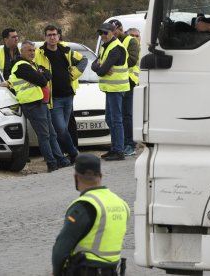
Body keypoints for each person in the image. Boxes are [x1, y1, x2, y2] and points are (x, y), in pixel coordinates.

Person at [52, 153, 130, 276]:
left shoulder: (84, 205)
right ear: (101, 176)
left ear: (76, 177)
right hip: (112, 271)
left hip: (87, 270)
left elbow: (61, 248)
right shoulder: (121, 204)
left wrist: (56, 272)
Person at [10, 40, 71, 172]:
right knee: (44, 135)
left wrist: (43, 74)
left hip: (41, 103)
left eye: (33, 50)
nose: (32, 53)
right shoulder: (21, 66)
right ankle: (52, 163)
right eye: (29, 50)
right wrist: (42, 75)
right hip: (32, 105)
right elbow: (43, 79)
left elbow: (48, 73)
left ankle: (60, 160)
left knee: (52, 134)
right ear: (22, 51)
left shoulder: (31, 64)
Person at [34, 25, 87, 164]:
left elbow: (84, 60)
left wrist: (74, 74)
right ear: (44, 37)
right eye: (49, 35)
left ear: (59, 36)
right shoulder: (39, 53)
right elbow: (26, 68)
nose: (52, 37)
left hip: (68, 95)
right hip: (54, 98)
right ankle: (74, 152)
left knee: (63, 128)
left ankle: (69, 154)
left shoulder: (66, 50)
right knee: (61, 129)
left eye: (54, 35)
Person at [91, 23, 129, 161]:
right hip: (109, 89)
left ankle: (119, 151)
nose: (103, 36)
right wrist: (100, 66)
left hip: (116, 89)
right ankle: (114, 148)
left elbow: (100, 71)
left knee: (116, 120)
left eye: (105, 33)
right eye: (101, 33)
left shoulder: (116, 48)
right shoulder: (105, 47)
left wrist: (100, 67)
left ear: (113, 32)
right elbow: (94, 65)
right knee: (110, 119)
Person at [108, 20, 140, 157]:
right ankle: (117, 145)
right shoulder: (109, 41)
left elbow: (132, 60)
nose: (111, 32)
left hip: (129, 81)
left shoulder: (130, 41)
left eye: (113, 30)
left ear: (120, 29)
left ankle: (130, 144)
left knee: (126, 115)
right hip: (114, 83)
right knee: (113, 117)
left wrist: (112, 61)